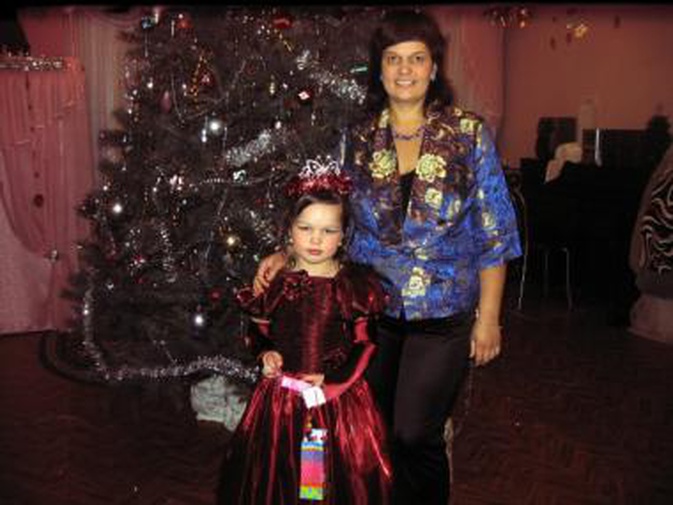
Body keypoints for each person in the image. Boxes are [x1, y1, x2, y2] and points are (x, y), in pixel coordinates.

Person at [254, 9, 521, 505]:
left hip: (442, 313)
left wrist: (489, 318)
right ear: (379, 69)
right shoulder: (357, 136)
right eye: (393, 59)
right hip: (367, 314)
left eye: (416, 58)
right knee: (372, 429)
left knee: (414, 433)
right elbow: (326, 211)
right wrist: (284, 252)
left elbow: (495, 233)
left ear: (433, 68)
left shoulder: (468, 134)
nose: (404, 69)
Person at [217, 157, 392, 505]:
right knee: (280, 473)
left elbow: (366, 343)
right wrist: (264, 351)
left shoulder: (353, 286)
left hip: (336, 401)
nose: (315, 239)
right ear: (289, 230)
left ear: (343, 236)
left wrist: (333, 383)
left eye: (328, 231)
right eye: (306, 227)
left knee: (327, 480)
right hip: (280, 402)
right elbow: (258, 329)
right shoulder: (276, 281)